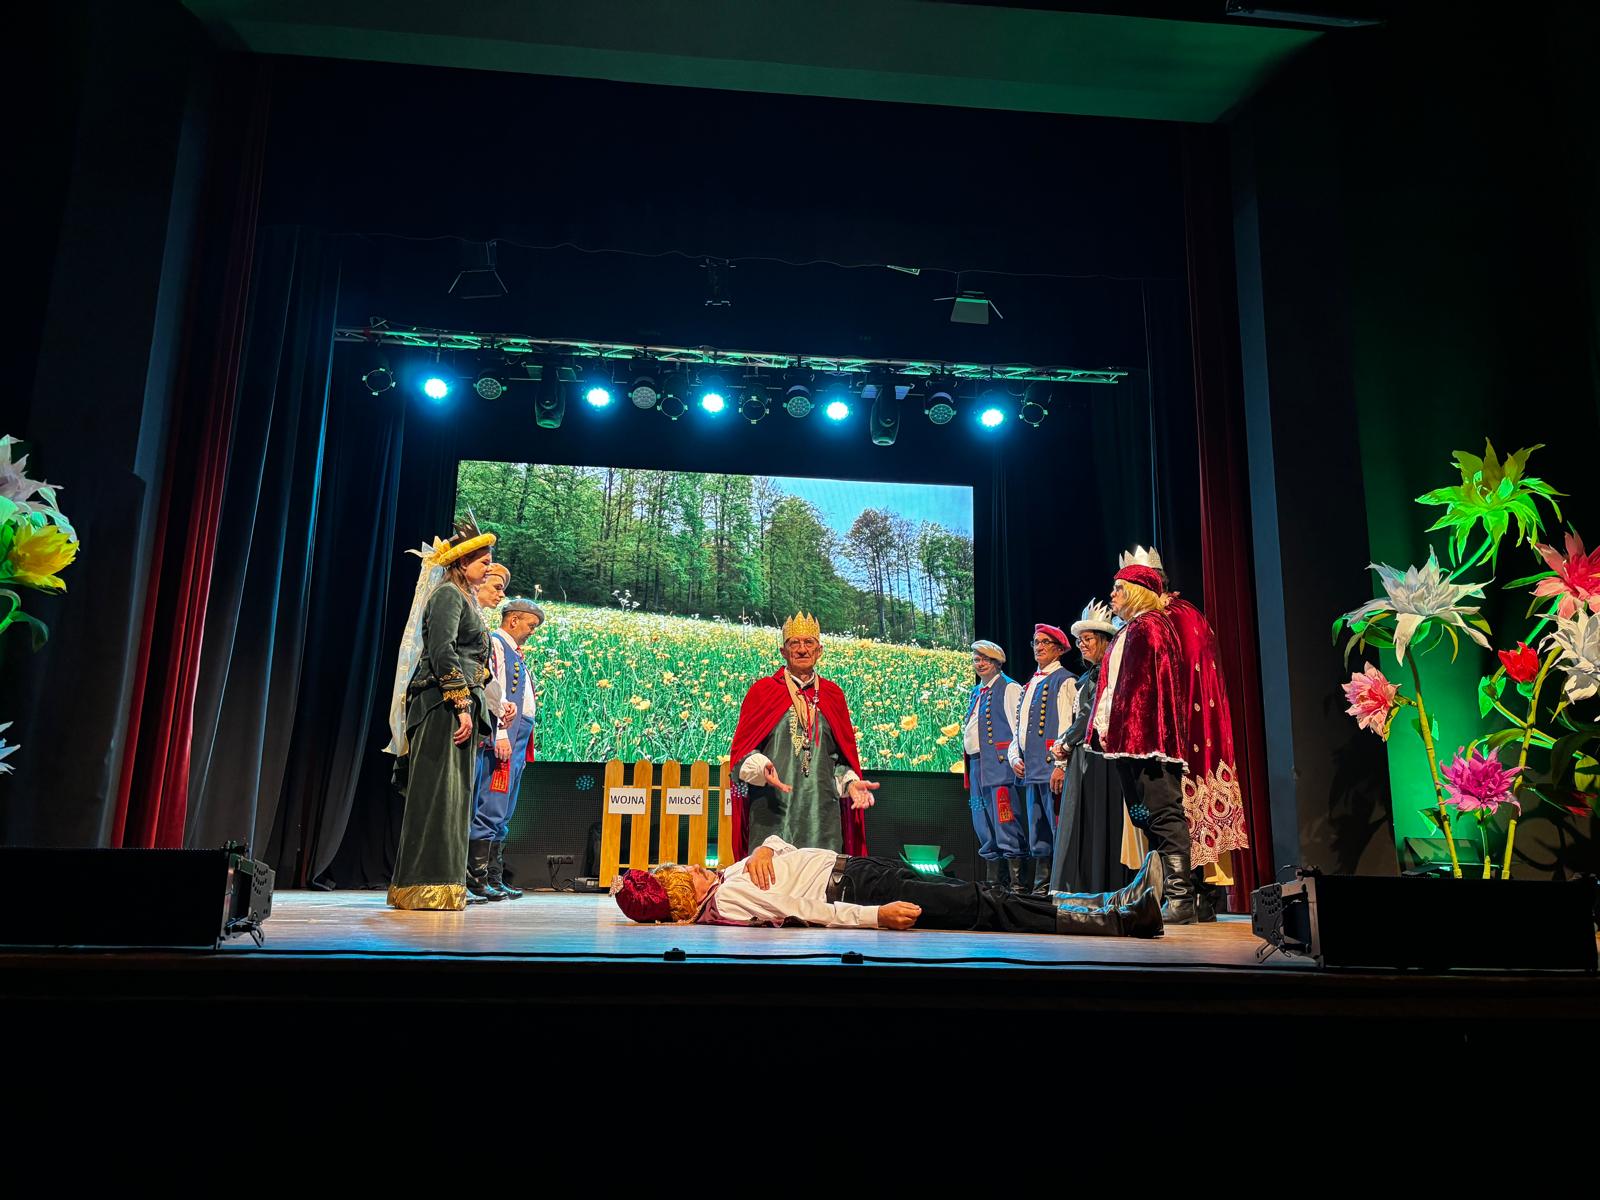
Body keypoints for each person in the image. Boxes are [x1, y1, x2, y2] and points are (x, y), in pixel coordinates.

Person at [612, 836, 1164, 938]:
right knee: (981, 904)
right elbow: (802, 908)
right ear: (683, 895)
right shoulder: (728, 896)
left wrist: (762, 849)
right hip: (856, 891)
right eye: (683, 874)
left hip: (858, 871)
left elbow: (780, 846)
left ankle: (1106, 902)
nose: (694, 867)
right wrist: (874, 917)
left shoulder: (728, 877)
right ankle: (1117, 918)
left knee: (982, 897)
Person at [383, 516, 497, 911]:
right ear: (463, 563)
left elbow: (470, 656)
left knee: (453, 799)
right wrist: (461, 703)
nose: (488, 569)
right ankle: (423, 884)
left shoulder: (464, 598)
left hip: (456, 705)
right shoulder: (448, 594)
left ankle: (442, 886)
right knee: (437, 797)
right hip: (441, 706)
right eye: (483, 562)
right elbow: (442, 650)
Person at [1087, 548, 1195, 923]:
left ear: (1135, 590)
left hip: (1149, 744)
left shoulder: (1151, 628)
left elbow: (1151, 689)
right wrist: (1106, 728)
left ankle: (1181, 898)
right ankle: (1161, 893)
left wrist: (1140, 734)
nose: (1112, 595)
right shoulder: (1130, 631)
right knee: (1144, 816)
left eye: (1118, 588)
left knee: (1164, 814)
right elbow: (1115, 687)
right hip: (1128, 743)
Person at [725, 612, 878, 860]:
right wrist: (761, 767)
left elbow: (839, 760)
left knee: (821, 878)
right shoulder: (762, 691)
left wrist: (850, 783)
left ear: (819, 651)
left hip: (822, 820)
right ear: (783, 652)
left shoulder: (833, 695)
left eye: (809, 643)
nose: (802, 649)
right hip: (773, 816)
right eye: (794, 643)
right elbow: (740, 755)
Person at [1048, 600, 1133, 895]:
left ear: (1104, 640)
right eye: (1079, 640)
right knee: (1082, 820)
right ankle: (1084, 885)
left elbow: (1090, 714)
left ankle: (1101, 884)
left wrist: (1065, 741)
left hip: (1100, 758)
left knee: (1099, 820)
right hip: (1085, 756)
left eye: (1087, 639)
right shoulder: (1089, 676)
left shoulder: (1106, 675)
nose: (1081, 645)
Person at [467, 596, 545, 901]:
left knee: (504, 811)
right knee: (492, 806)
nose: (532, 631)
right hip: (506, 736)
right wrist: (501, 734)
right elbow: (494, 691)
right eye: (531, 625)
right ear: (513, 620)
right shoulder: (498, 645)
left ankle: (493, 877)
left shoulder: (514, 652)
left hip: (519, 737)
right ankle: (476, 878)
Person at [1005, 624, 1077, 895]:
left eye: (1046, 642)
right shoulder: (1029, 684)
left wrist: (1060, 764)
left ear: (1059, 649)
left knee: (1058, 827)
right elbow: (1019, 728)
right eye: (1036, 642)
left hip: (1050, 768)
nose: (1039, 647)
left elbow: (1067, 727)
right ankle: (1041, 886)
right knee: (1038, 831)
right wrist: (1014, 756)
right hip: (1031, 770)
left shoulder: (1065, 681)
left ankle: (1060, 886)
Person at [962, 640, 1025, 889]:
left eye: (986, 660)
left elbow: (1018, 729)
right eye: (977, 660)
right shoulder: (977, 691)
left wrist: (1015, 758)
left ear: (997, 662)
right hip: (977, 765)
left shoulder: (1009, 688)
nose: (980, 664)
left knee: (1004, 819)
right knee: (981, 820)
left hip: (999, 767)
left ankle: (1016, 882)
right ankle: (993, 881)